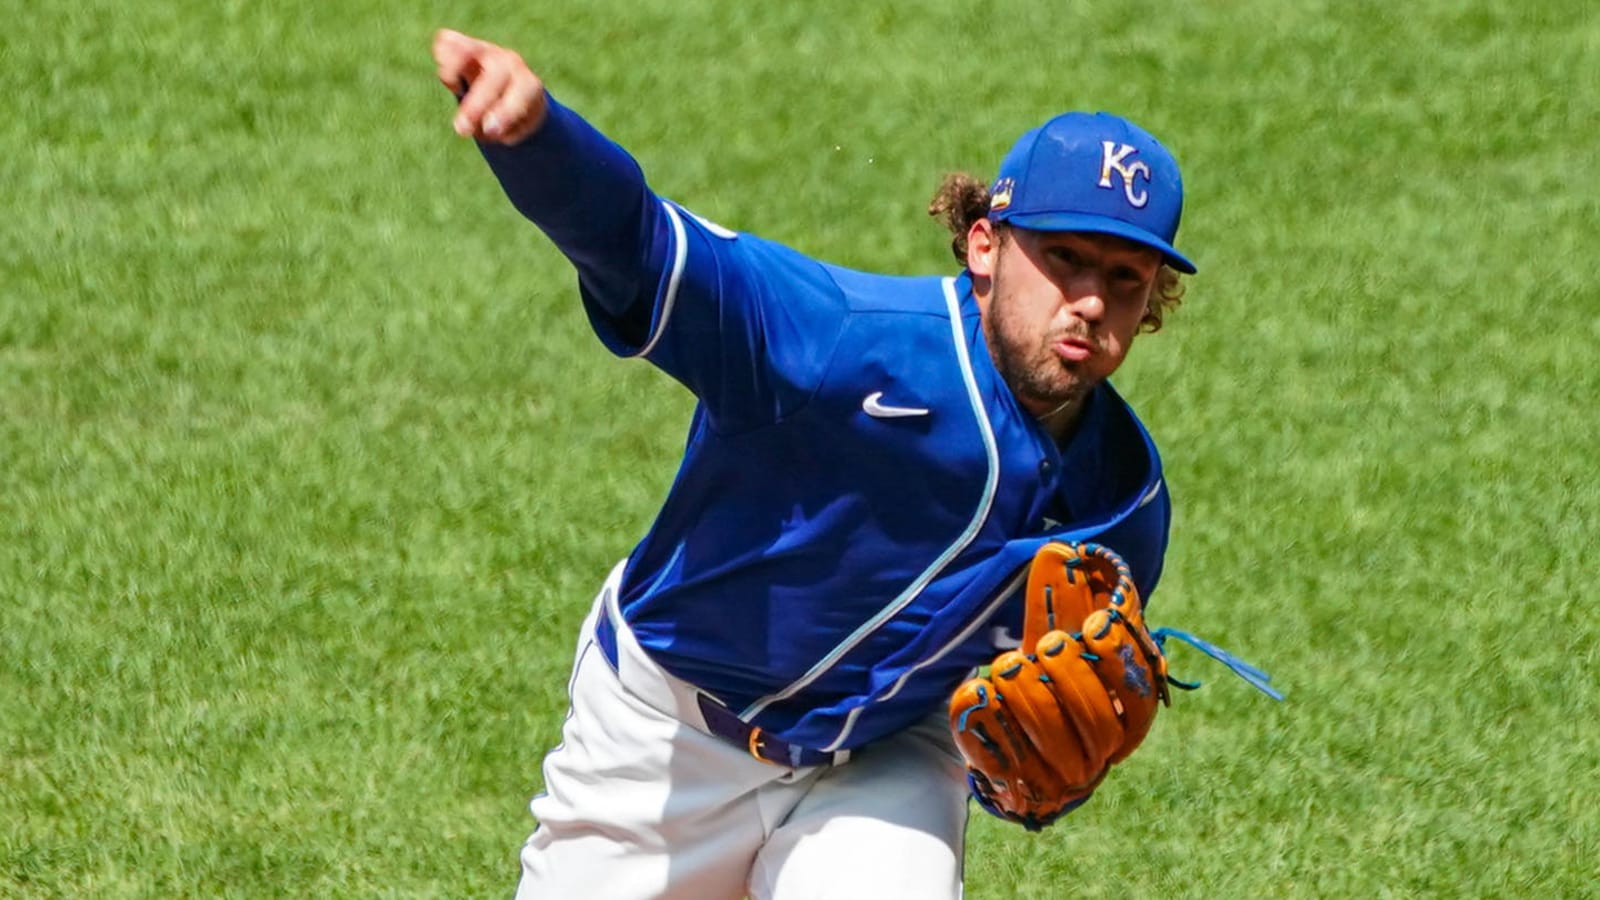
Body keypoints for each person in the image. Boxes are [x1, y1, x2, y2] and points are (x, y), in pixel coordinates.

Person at [433, 27, 1197, 899]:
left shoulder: (1126, 505)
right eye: (1064, 259)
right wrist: (538, 139)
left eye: (1126, 278)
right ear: (985, 246)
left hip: (877, 765)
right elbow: (640, 241)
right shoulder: (843, 341)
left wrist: (1035, 776)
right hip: (665, 736)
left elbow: (1036, 736)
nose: (1092, 300)